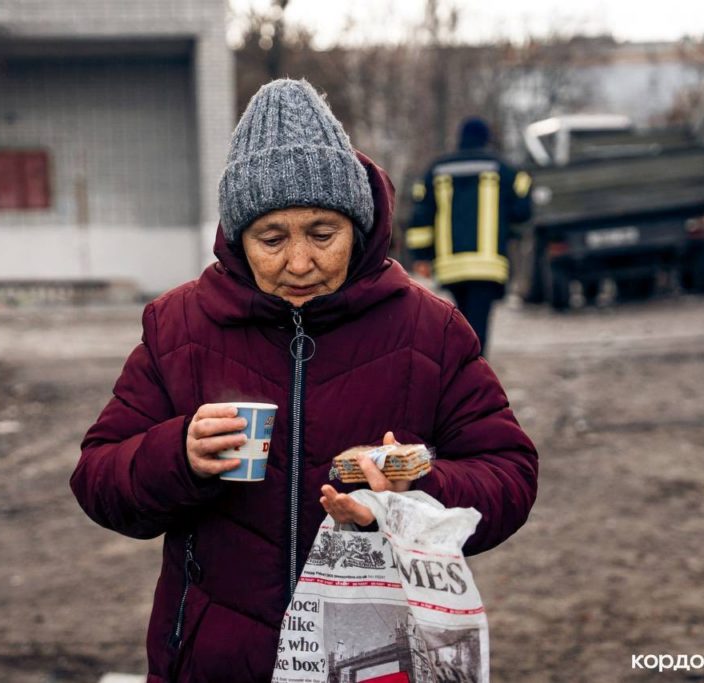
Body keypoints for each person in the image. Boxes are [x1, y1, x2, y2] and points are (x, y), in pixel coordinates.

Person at [70, 79, 538, 682]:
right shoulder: (177, 327)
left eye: (323, 233)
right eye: (272, 238)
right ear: (239, 239)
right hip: (216, 661)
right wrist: (178, 454)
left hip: (376, 656)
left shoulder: (430, 331)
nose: (299, 262)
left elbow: (509, 472)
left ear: (359, 226)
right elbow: (98, 477)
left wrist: (412, 495)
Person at [406, 117, 532, 355]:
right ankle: (475, 374)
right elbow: (523, 210)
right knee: (479, 325)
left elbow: (420, 216)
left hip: (450, 266)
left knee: (460, 322)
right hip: (488, 265)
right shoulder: (503, 168)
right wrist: (508, 227)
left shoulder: (437, 170)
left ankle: (463, 371)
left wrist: (421, 256)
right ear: (486, 138)